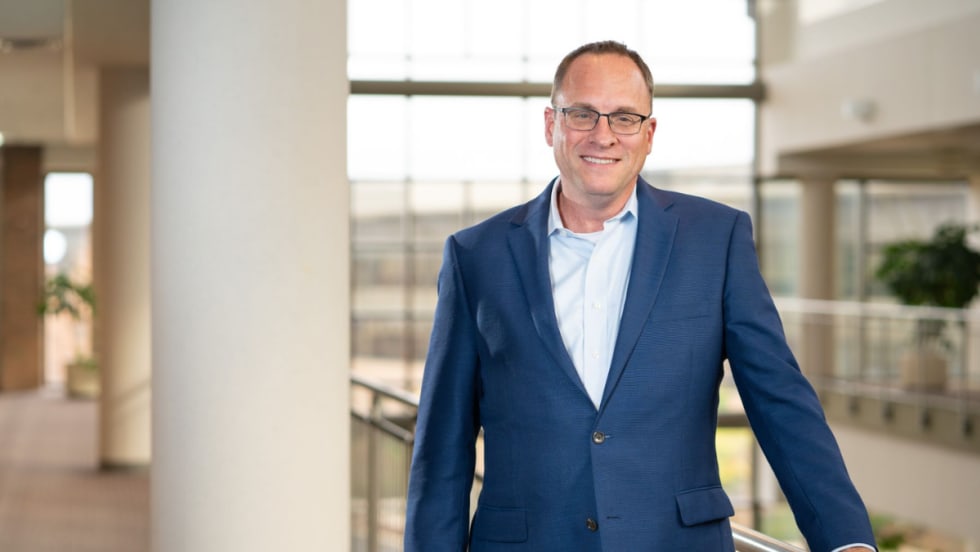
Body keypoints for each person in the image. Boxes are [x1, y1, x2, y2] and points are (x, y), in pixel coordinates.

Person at [404, 40, 876, 551]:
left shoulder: (715, 239)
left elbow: (781, 402)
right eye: (582, 113)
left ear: (648, 134)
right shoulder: (477, 255)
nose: (603, 135)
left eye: (625, 117)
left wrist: (845, 540)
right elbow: (442, 447)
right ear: (550, 125)